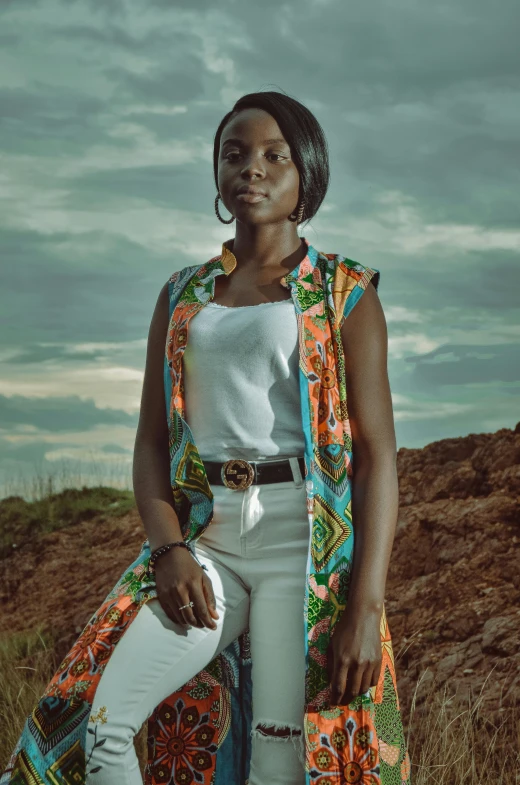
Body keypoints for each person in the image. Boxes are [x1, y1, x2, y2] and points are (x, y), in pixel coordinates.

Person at [1, 91, 412, 785]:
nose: (251, 167)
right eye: (234, 153)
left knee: (279, 756)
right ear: (217, 175)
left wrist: (365, 604)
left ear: (306, 174)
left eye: (274, 155)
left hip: (301, 545)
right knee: (101, 726)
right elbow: (152, 444)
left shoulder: (344, 292)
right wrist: (168, 549)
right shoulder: (183, 294)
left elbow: (376, 456)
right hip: (208, 538)